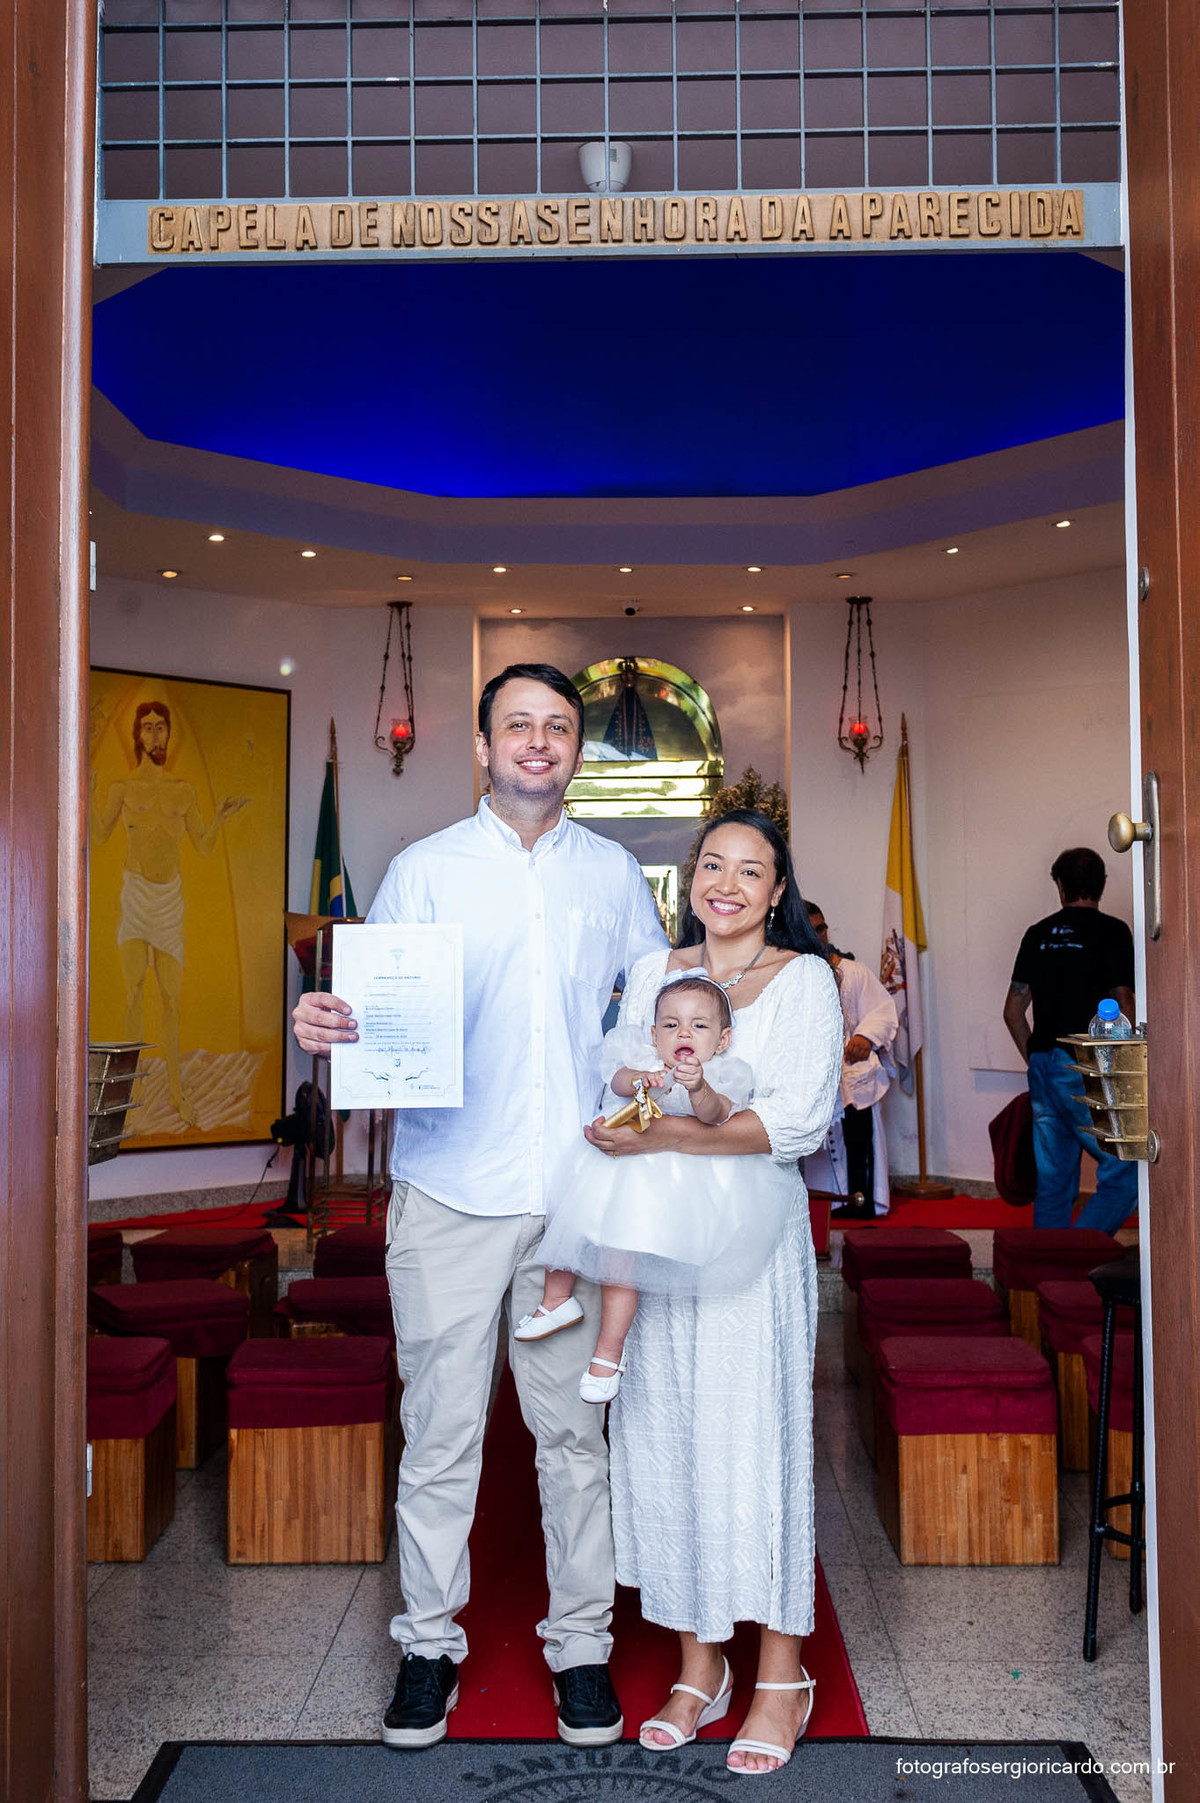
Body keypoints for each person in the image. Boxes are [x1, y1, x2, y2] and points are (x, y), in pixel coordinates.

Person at [292, 664, 666, 1752]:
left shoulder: (613, 877)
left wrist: (633, 1141)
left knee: (574, 1438)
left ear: (576, 751)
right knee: (441, 1434)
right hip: (449, 1190)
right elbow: (371, 1009)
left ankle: (583, 1650)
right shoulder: (424, 870)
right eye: (519, 725)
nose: (538, 743)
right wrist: (329, 1024)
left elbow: (655, 1032)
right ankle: (427, 1646)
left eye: (558, 727)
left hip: (572, 1200)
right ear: (486, 746)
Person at [585, 808, 843, 1776]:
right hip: (660, 1239)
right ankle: (702, 1666)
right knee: (666, 1440)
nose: (727, 883)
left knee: (757, 1443)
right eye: (713, 865)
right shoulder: (658, 972)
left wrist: (668, 1134)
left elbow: (797, 1120)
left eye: (752, 870)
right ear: (691, 877)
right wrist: (621, 1119)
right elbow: (620, 1075)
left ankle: (782, 1671)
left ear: (780, 890)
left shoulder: (804, 979)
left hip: (750, 1243)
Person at [518, 972, 765, 1404]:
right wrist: (640, 1078)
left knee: (619, 1268)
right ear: (654, 1034)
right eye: (670, 1025)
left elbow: (715, 1115)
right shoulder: (641, 1058)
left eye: (699, 1026)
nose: (683, 1033)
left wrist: (698, 1087)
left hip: (659, 1189)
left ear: (721, 1041)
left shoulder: (723, 1074)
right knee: (569, 1222)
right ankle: (556, 1300)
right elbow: (614, 1081)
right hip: (611, 1170)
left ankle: (608, 1356)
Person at [91, 699, 247, 1123]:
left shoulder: (184, 791)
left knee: (171, 999)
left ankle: (177, 1093)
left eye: (162, 727)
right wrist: (86, 794)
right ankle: (128, 1092)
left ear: (168, 734)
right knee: (134, 993)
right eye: (148, 727)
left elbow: (202, 845)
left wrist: (219, 817)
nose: (156, 734)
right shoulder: (122, 788)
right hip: (135, 895)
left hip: (168, 901)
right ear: (137, 735)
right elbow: (100, 835)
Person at [1003, 846, 1138, 1234]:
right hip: (1090, 1062)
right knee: (1126, 1171)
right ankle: (1078, 1260)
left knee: (1054, 1183)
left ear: (1060, 886)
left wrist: (1037, 1058)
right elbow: (1123, 1002)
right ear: (1102, 885)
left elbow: (1013, 1011)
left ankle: (1050, 1272)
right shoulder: (1113, 932)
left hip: (1044, 1064)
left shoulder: (1037, 934)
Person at [803, 901, 899, 1221]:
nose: (819, 937)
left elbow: (882, 1011)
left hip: (851, 1075)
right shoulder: (789, 975)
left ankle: (861, 1208)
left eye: (822, 928)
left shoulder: (852, 972)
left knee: (859, 1143)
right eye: (811, 930)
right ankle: (822, 1211)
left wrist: (866, 1037)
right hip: (810, 1080)